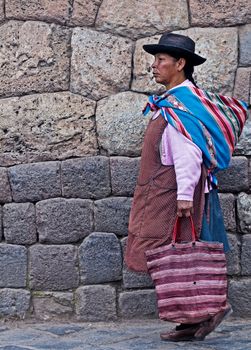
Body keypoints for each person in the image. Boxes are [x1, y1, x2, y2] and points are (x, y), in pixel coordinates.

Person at [124, 32, 248, 342]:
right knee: (180, 254)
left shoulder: (181, 106)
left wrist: (183, 198)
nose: (154, 66)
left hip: (178, 195)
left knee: (179, 252)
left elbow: (189, 154)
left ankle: (211, 309)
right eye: (155, 60)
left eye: (160, 60)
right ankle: (193, 317)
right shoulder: (174, 102)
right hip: (172, 192)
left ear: (180, 64)